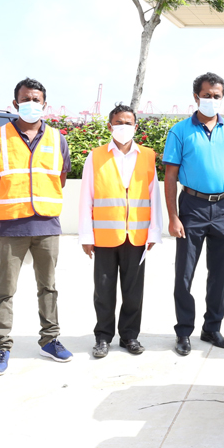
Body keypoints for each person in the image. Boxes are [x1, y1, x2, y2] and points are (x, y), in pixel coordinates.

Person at [0, 78, 72, 375]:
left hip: (46, 224)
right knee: (4, 289)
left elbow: (59, 177)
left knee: (48, 287)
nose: (31, 104)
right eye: (26, 99)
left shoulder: (57, 138)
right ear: (15, 104)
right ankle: (1, 346)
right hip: (11, 225)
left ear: (44, 104)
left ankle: (50, 340)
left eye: (36, 100)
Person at [163, 73, 224, 356]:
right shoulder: (180, 131)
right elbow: (170, 176)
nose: (212, 100)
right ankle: (184, 331)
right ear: (196, 96)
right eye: (207, 95)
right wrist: (173, 217)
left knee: (218, 272)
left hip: (223, 207)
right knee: (184, 273)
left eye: (217, 95)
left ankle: (212, 327)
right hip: (192, 208)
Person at [79, 104, 163, 357]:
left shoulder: (147, 156)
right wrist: (86, 236)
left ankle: (129, 336)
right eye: (119, 122)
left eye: (128, 123)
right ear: (110, 126)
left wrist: (154, 233)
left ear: (136, 127)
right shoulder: (96, 156)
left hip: (136, 236)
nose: (123, 127)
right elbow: (86, 198)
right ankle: (103, 337)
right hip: (105, 236)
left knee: (133, 291)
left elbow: (153, 195)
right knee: (103, 291)